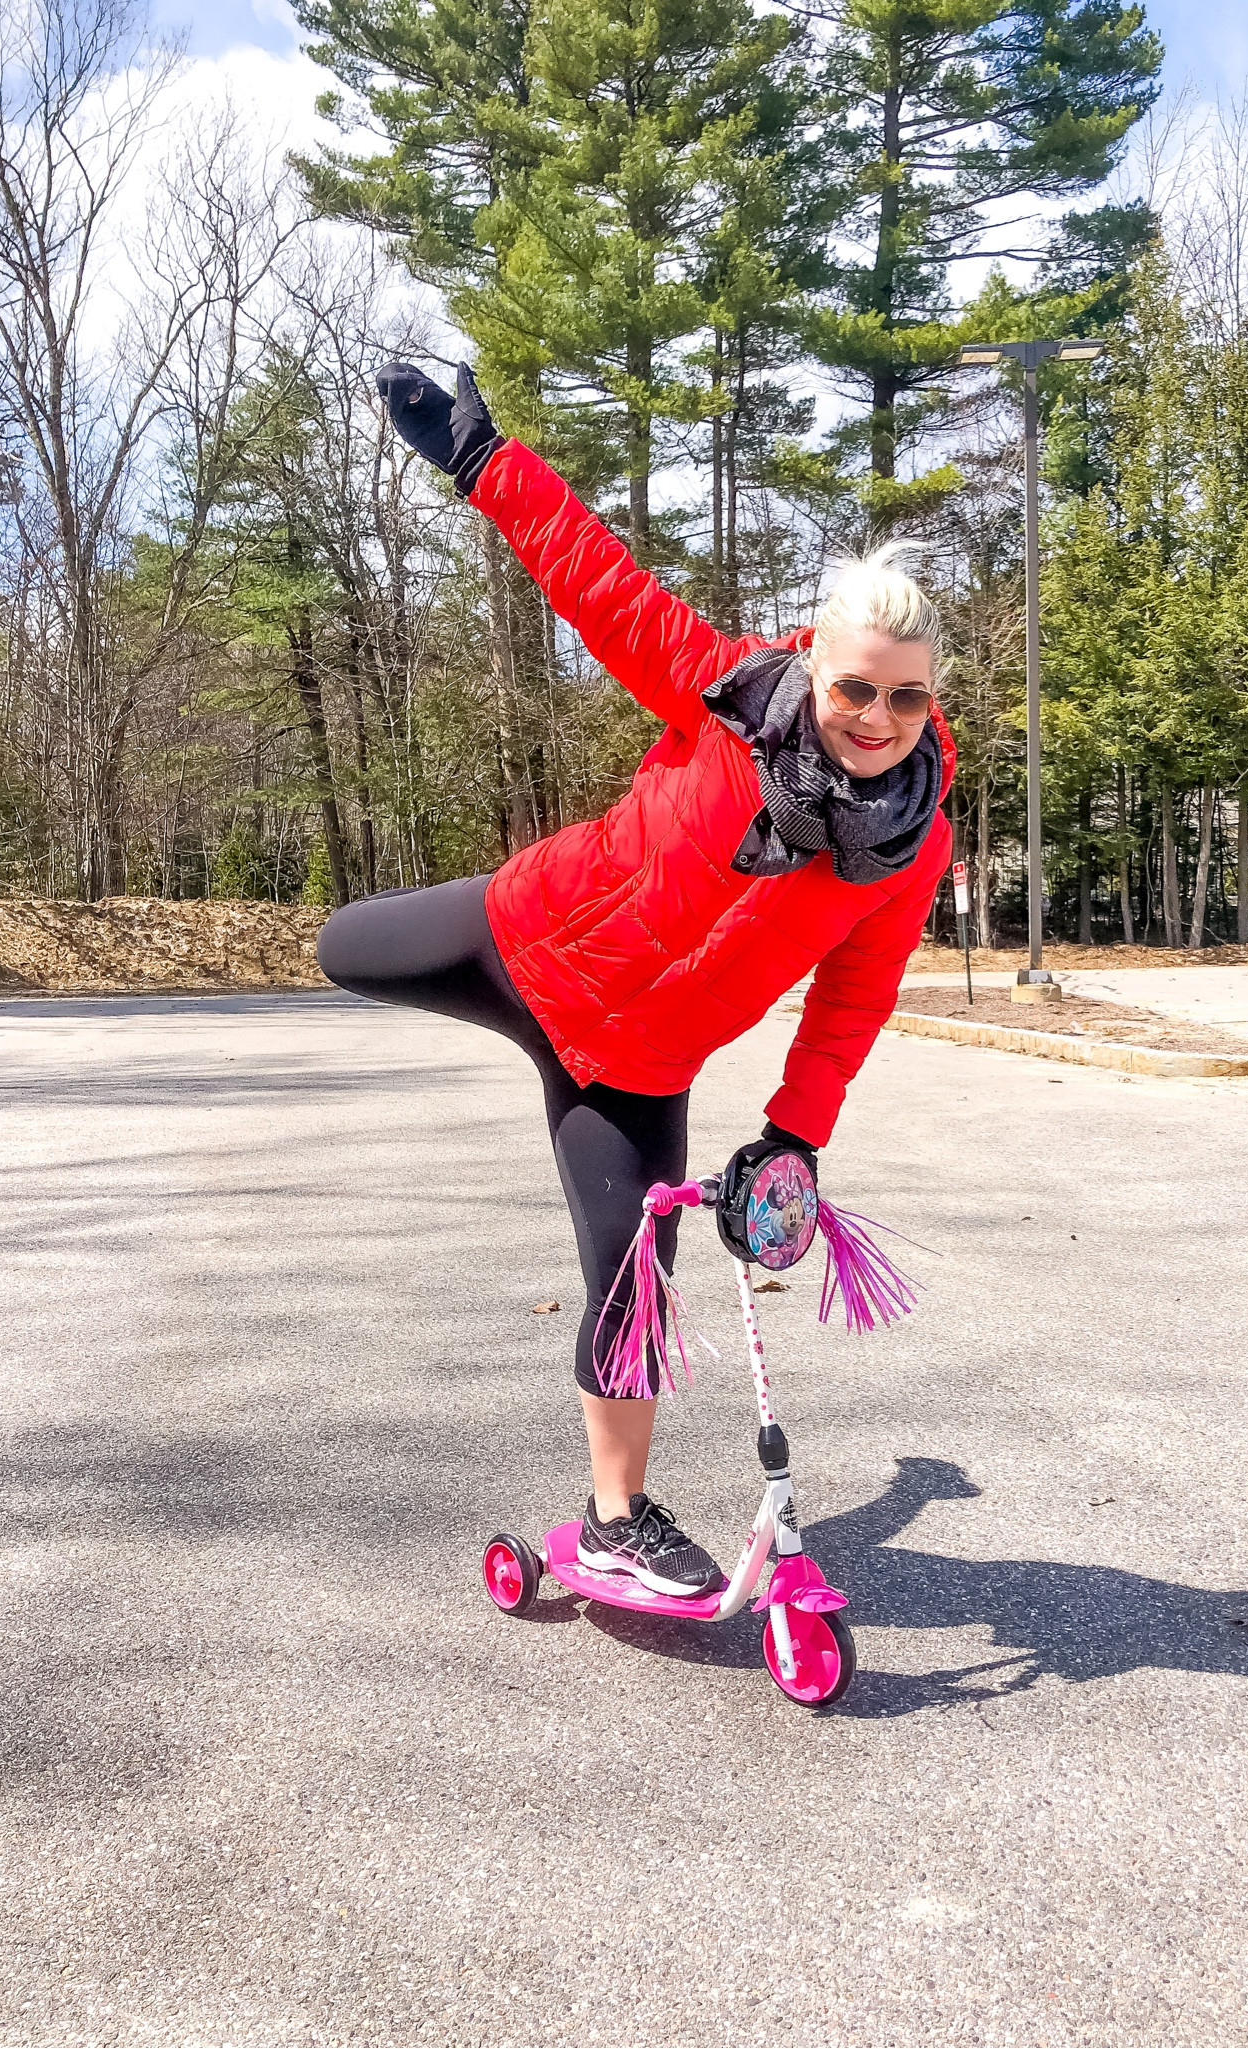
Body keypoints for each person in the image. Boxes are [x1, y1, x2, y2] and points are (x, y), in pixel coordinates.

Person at [316, 363, 956, 1601]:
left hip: (632, 1068)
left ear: (931, 697)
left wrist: (793, 1138)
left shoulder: (913, 844)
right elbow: (597, 585)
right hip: (516, 941)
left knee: (629, 1282)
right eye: (854, 687)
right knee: (342, 944)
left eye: (906, 696)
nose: (875, 717)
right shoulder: (720, 691)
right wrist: (480, 461)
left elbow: (850, 1004)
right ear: (812, 664)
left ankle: (614, 1516)